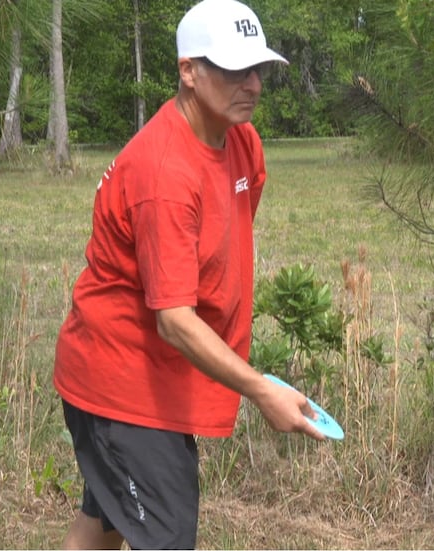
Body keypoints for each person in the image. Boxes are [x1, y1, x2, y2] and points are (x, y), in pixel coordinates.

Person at [53, 0, 325, 549]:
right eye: (232, 70)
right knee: (169, 536)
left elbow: (223, 242)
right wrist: (259, 389)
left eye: (258, 69)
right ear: (188, 70)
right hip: (120, 381)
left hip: (156, 375)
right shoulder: (164, 174)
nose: (251, 84)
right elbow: (174, 320)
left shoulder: (241, 139)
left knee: (103, 523)